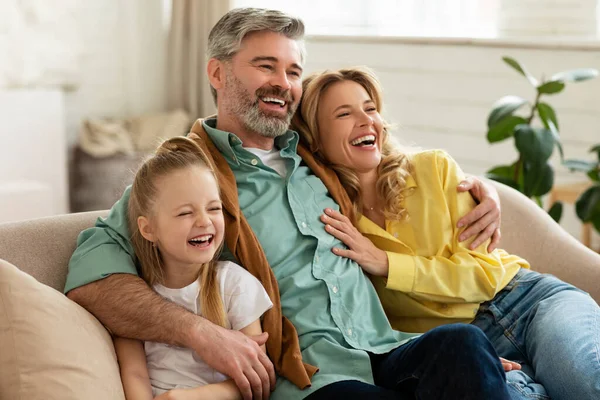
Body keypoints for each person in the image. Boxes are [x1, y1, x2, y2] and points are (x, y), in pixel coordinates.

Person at [65, 8, 509, 400]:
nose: (283, 83)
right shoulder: (185, 174)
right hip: (312, 377)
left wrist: (483, 189)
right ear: (217, 74)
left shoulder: (315, 153)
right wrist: (198, 332)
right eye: (266, 66)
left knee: (463, 344)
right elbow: (91, 276)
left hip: (384, 348)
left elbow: (390, 159)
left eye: (294, 71)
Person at [292, 66, 600, 400]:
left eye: (370, 108)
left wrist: (387, 264)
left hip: (528, 301)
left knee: (582, 385)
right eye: (344, 114)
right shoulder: (328, 219)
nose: (367, 121)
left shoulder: (432, 168)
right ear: (315, 139)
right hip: (463, 346)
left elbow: (481, 274)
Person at [113, 136, 273, 399]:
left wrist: (184, 397)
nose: (203, 221)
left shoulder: (234, 285)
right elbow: (134, 374)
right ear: (148, 229)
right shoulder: (136, 302)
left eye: (213, 208)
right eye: (185, 213)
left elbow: (257, 379)